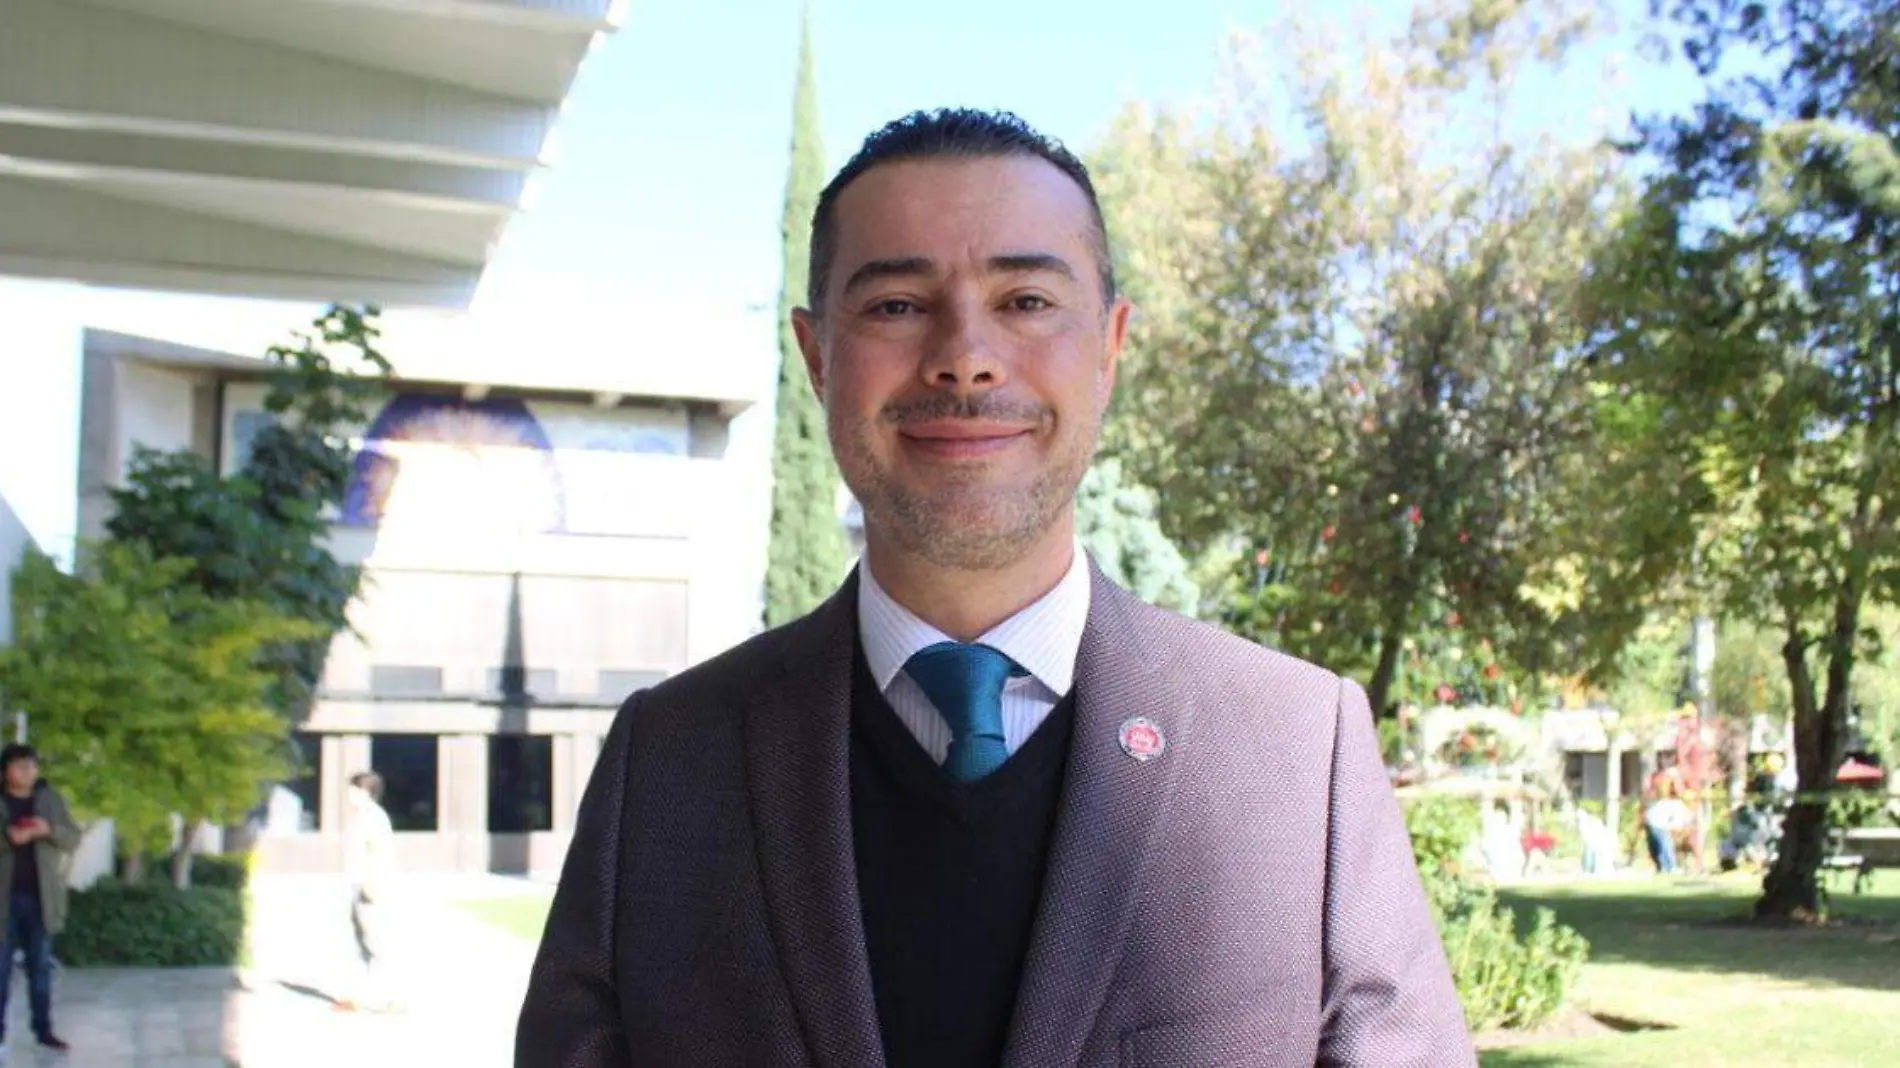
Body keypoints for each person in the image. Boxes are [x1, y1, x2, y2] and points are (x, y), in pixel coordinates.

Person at [517, 108, 1472, 1067]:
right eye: (895, 304)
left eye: (1024, 300)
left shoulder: (1298, 756)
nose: (965, 355)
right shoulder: (669, 765)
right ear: (816, 357)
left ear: (1109, 346)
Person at [0, 744, 79, 1055]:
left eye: (32, 766)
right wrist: (8, 838)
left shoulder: (49, 799)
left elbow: (72, 837)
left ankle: (44, 1031)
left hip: (41, 899)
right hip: (4, 902)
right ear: (6, 770)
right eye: (21, 766)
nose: (28, 772)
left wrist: (48, 829)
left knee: (40, 969)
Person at [340, 771, 399, 1013]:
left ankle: (387, 997)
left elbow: (381, 855)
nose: (349, 795)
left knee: (376, 944)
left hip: (370, 889)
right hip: (359, 887)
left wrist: (372, 887)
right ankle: (364, 996)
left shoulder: (374, 818)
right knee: (362, 943)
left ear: (365, 792)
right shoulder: (363, 817)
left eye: (353, 789)